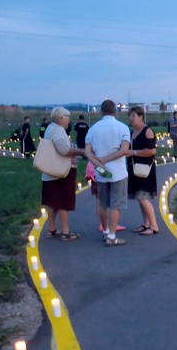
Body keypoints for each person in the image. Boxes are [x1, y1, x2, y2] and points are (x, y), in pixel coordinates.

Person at [85, 99, 131, 246]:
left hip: (101, 172)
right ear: (115, 111)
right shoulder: (122, 128)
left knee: (103, 203)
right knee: (116, 204)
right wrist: (106, 159)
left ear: (101, 111)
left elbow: (87, 152)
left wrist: (99, 164)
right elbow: (124, 150)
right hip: (118, 172)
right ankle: (112, 235)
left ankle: (105, 231)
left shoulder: (93, 129)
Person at [41, 107, 84, 241]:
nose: (69, 120)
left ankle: (52, 229)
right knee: (63, 201)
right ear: (60, 119)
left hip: (51, 171)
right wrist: (81, 151)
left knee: (53, 201)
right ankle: (66, 232)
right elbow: (65, 150)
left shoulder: (50, 129)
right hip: (61, 172)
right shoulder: (59, 131)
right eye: (67, 117)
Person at [126, 106, 159, 235]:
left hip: (145, 169)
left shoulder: (147, 131)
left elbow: (152, 151)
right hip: (134, 168)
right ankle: (146, 224)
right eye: (130, 116)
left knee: (143, 197)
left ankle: (154, 225)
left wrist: (134, 152)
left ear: (141, 117)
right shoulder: (131, 132)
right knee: (140, 198)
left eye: (133, 115)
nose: (131, 118)